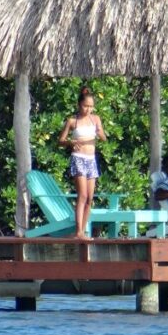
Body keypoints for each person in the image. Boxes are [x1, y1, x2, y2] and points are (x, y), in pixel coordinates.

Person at [57, 86, 107, 238]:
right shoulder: (73, 121)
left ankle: (83, 230)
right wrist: (70, 143)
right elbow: (60, 141)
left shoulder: (95, 119)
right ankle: (78, 231)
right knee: (83, 195)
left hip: (91, 160)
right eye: (86, 106)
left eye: (91, 107)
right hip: (78, 158)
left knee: (90, 197)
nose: (88, 109)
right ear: (79, 105)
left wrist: (99, 133)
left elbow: (104, 138)